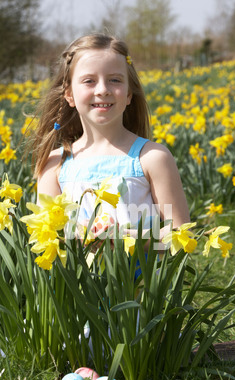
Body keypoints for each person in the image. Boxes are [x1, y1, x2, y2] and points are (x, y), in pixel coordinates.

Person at [31, 33, 190, 246]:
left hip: (143, 280)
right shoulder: (54, 165)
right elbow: (46, 237)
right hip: (79, 280)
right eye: (89, 81)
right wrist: (80, 237)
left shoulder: (152, 158)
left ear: (128, 94)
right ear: (69, 95)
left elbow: (180, 236)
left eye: (115, 80)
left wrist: (126, 238)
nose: (103, 90)